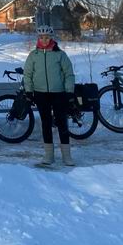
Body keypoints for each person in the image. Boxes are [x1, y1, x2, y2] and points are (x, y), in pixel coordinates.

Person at [23, 25, 76, 166]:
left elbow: (69, 74)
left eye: (47, 37)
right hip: (40, 94)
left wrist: (69, 92)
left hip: (59, 93)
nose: (44, 40)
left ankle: (67, 156)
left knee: (62, 123)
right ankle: (49, 155)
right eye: (41, 37)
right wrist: (29, 91)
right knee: (46, 123)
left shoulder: (60, 54)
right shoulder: (33, 55)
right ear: (38, 39)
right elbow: (27, 75)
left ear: (51, 38)